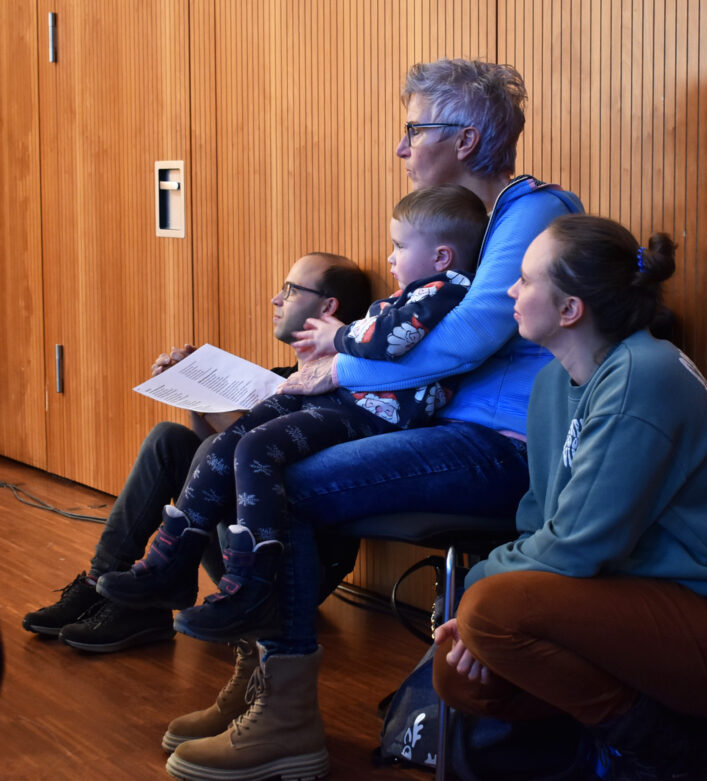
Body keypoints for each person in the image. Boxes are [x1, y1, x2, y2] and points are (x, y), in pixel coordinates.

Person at [163, 58, 583, 781]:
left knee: (284, 482)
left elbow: (470, 336)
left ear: (465, 139)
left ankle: (285, 716)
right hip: (450, 430)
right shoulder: (484, 222)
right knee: (255, 455)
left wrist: (338, 368)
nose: (400, 147)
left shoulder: (533, 211)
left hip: (501, 444)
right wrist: (326, 368)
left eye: (414, 130)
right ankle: (259, 681)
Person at [431, 215, 707, 780]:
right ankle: (627, 734)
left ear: (569, 309)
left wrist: (473, 593)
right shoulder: (554, 383)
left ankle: (667, 754)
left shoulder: (642, 375)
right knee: (457, 673)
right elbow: (541, 522)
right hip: (642, 595)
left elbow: (577, 547)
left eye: (525, 280)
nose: (510, 290)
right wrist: (476, 614)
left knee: (490, 612)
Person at [97, 185, 488, 646]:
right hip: (345, 398)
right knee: (236, 438)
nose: (390, 257)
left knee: (255, 446)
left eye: (399, 246)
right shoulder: (412, 295)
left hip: (372, 412)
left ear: (442, 256)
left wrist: (338, 337)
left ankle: (252, 587)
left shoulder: (446, 290)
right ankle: (168, 561)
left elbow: (390, 338)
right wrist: (194, 385)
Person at [21, 253, 371, 654]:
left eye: (290, 290)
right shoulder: (279, 380)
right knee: (169, 439)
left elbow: (251, 451)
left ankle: (144, 600)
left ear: (328, 308)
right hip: (234, 548)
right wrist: (190, 389)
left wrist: (205, 394)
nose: (276, 299)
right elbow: (213, 453)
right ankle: (104, 584)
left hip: (283, 570)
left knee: (214, 448)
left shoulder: (341, 395)